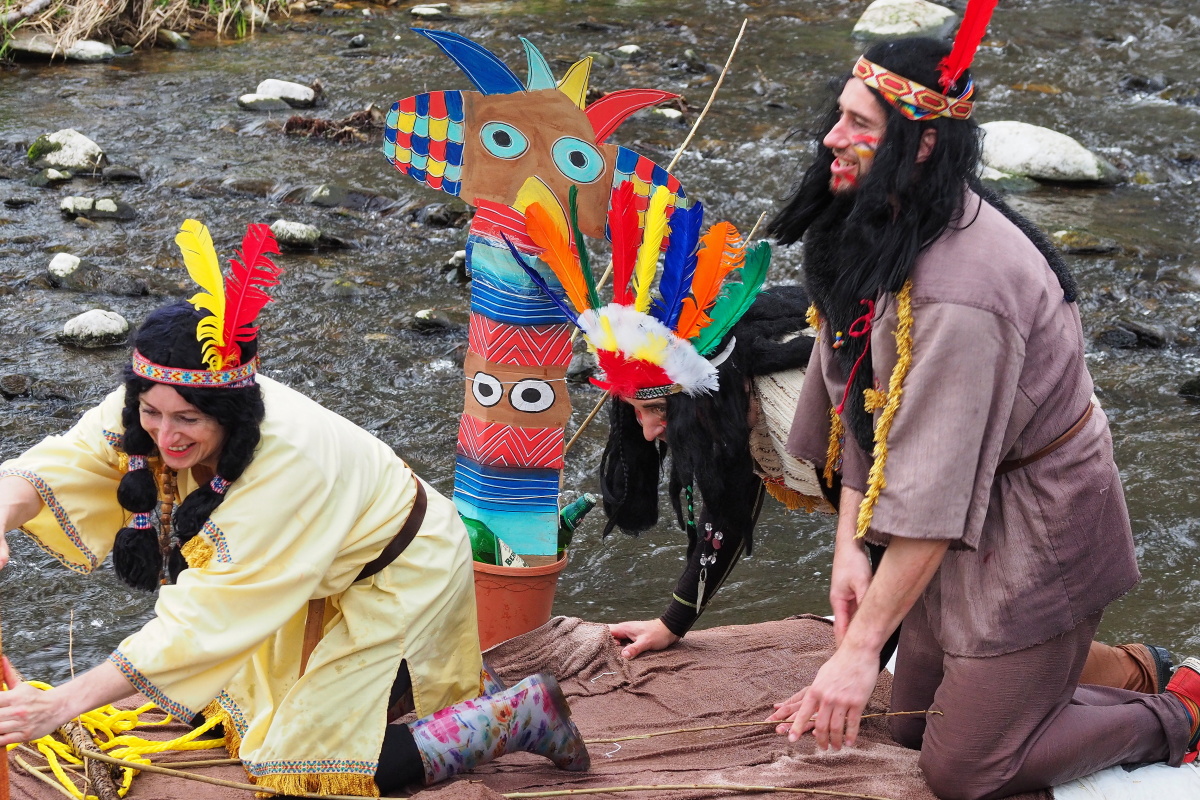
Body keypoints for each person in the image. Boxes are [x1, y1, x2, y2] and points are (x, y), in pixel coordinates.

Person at [0, 220, 589, 797]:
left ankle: (518, 715)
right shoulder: (156, 399)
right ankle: (420, 683)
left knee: (305, 768)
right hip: (309, 560)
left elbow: (201, 624)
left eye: (188, 420)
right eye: (151, 413)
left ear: (230, 414)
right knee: (228, 708)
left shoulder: (285, 470)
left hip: (398, 571)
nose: (165, 436)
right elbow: (69, 460)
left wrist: (60, 705)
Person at [761, 33, 1200, 799]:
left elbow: (934, 491)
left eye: (860, 124)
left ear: (924, 144)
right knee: (910, 724)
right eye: (839, 114)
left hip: (1036, 526)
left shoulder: (965, 291)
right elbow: (861, 399)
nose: (832, 137)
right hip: (955, 500)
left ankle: (1177, 714)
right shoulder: (875, 223)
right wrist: (850, 550)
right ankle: (1137, 667)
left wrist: (859, 653)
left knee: (964, 768)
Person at [600, 288, 1176, 698]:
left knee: (978, 654)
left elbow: (886, 536)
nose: (649, 433)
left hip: (1004, 489)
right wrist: (672, 623)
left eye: (656, 411)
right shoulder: (726, 403)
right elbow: (726, 511)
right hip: (927, 507)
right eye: (637, 414)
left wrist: (854, 664)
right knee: (929, 694)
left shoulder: (801, 408)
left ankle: (1153, 676)